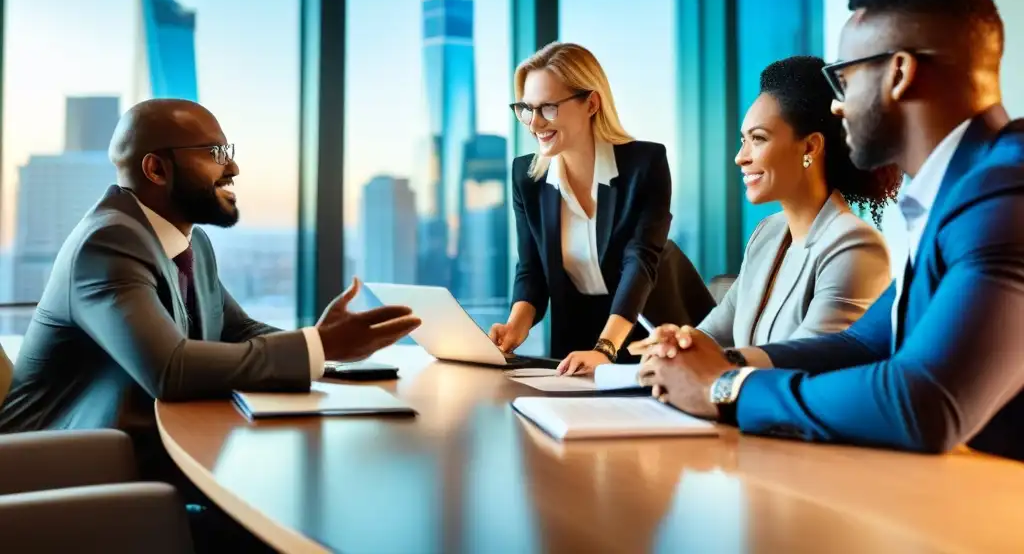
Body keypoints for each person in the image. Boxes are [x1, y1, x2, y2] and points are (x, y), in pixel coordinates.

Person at [635, 0, 1024, 462]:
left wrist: (724, 387)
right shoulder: (956, 190)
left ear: (899, 73)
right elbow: (863, 344)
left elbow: (924, 402)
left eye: (844, 79)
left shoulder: (1004, 192)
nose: (837, 107)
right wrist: (715, 360)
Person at [0, 99, 420, 462]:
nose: (233, 166)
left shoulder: (191, 242)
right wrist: (321, 345)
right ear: (157, 169)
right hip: (56, 467)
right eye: (215, 152)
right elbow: (170, 369)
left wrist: (326, 351)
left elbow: (235, 330)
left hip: (137, 450)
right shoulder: (108, 242)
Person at [490, 42, 690, 376]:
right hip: (576, 349)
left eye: (548, 108)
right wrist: (514, 328)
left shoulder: (645, 165)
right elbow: (532, 270)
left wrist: (606, 348)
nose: (534, 123)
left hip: (652, 339)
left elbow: (640, 262)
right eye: (527, 109)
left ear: (591, 103)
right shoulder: (527, 178)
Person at [697, 55, 900, 348]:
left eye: (758, 139)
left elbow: (805, 359)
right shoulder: (767, 233)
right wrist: (677, 343)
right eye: (744, 140)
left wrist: (703, 366)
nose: (741, 157)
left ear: (810, 146)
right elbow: (713, 333)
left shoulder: (854, 246)